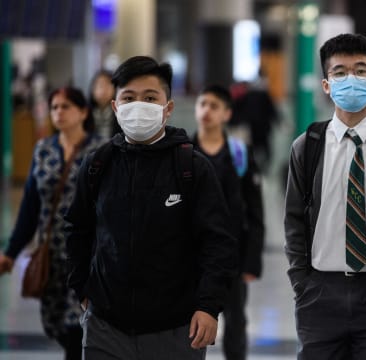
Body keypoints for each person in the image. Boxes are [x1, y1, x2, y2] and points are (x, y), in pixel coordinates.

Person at [65, 56, 238, 360]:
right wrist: (82, 290)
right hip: (106, 328)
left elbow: (218, 242)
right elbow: (77, 229)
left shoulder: (192, 168)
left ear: (167, 108)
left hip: (175, 330)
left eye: (149, 98)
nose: (138, 105)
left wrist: (208, 306)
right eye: (129, 98)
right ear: (115, 106)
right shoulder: (97, 165)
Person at [284, 33, 366, 360]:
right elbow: (294, 221)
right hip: (320, 293)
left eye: (360, 70)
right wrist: (302, 283)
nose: (350, 79)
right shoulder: (307, 146)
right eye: (339, 72)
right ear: (326, 85)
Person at [0, 87, 105, 360]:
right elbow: (30, 207)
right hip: (51, 256)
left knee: (78, 327)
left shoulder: (101, 151)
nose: (58, 113)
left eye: (66, 107)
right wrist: (11, 252)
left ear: (83, 112)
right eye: (54, 107)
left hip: (88, 254)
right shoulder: (43, 150)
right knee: (54, 323)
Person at [190, 84, 264, 360]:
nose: (206, 110)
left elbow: (254, 210)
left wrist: (252, 260)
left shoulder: (239, 153)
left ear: (226, 113)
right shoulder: (184, 151)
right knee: (190, 322)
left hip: (231, 253)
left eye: (214, 106)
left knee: (235, 322)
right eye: (202, 104)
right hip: (191, 255)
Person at [87, 70, 121, 138]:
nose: (103, 89)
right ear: (92, 89)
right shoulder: (85, 111)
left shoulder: (120, 111)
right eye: (100, 85)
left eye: (108, 85)